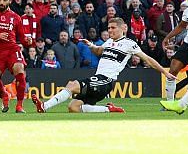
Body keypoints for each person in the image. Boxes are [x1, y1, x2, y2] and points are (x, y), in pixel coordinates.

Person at [31, 17, 176, 113]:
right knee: (73, 107)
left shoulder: (129, 44)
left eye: (113, 28)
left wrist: (165, 72)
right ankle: (108, 109)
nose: (110, 30)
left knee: (72, 84)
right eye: (109, 28)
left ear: (122, 28)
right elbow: (99, 51)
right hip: (99, 79)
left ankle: (44, 106)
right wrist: (91, 46)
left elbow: (148, 59)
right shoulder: (109, 42)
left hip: (107, 80)